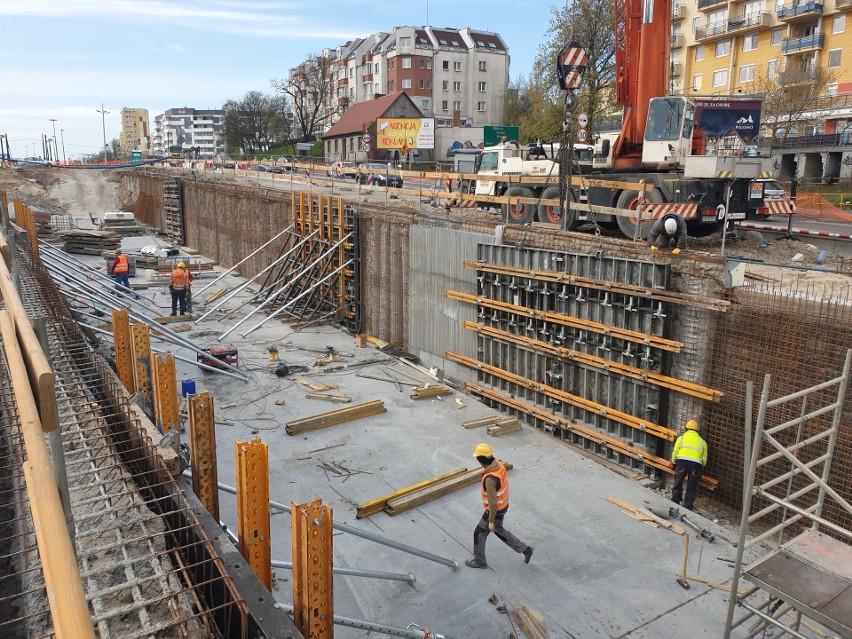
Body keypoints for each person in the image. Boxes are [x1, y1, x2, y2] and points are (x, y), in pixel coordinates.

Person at [465, 443, 533, 569]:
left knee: (479, 533)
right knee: (498, 530)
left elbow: (492, 504)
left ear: (480, 460)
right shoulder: (499, 466)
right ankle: (525, 549)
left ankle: (480, 562)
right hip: (504, 506)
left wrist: (490, 521)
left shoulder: (490, 479)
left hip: (495, 511)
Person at [669, 419, 708, 511]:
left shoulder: (680, 439)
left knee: (678, 482)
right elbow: (704, 459)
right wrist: (701, 467)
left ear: (686, 428)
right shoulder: (703, 442)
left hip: (681, 463)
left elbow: (675, 453)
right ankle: (688, 505)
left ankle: (675, 500)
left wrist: (674, 463)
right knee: (692, 486)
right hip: (696, 466)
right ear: (697, 430)